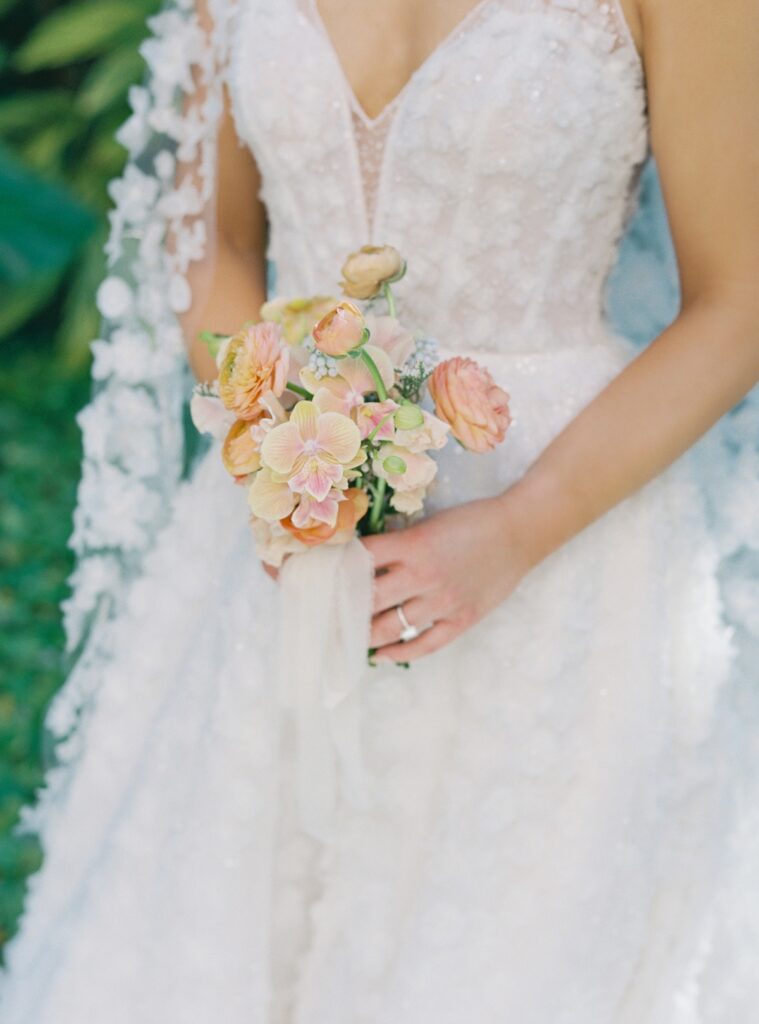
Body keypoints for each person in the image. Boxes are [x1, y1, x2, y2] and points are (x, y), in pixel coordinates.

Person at [1, 0, 758, 1020]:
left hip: (565, 533)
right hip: (286, 519)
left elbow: (739, 299)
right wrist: (284, 447)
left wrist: (522, 525)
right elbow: (210, 243)